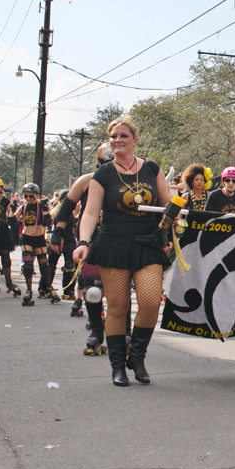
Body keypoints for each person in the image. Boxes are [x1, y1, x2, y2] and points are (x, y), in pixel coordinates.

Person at [73, 115, 171, 386]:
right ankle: (118, 365)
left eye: (123, 135)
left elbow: (166, 202)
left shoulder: (151, 168)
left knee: (151, 302)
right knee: (117, 306)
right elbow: (90, 213)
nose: (117, 140)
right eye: (113, 136)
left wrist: (173, 216)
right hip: (113, 244)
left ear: (135, 140)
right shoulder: (103, 174)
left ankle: (137, 357)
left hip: (148, 244)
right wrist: (83, 242)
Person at [54, 143, 119, 352]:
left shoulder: (131, 182)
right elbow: (66, 208)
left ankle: (124, 330)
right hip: (90, 241)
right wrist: (57, 233)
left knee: (120, 292)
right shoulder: (86, 181)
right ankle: (97, 331)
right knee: (92, 291)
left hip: (120, 242)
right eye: (107, 164)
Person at [14, 182, 58, 305]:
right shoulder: (23, 207)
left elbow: (48, 222)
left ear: (36, 196)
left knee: (44, 267)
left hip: (39, 238)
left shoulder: (40, 207)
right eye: (26, 196)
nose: (28, 198)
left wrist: (45, 210)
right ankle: (28, 290)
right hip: (26, 238)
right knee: (28, 266)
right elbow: (12, 219)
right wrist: (11, 209)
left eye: (31, 196)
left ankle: (50, 288)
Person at [48, 189, 77, 300]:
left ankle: (68, 289)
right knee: (51, 266)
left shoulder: (73, 211)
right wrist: (48, 239)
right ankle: (45, 287)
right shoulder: (54, 212)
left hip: (69, 240)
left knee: (70, 266)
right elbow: (48, 227)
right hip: (56, 239)